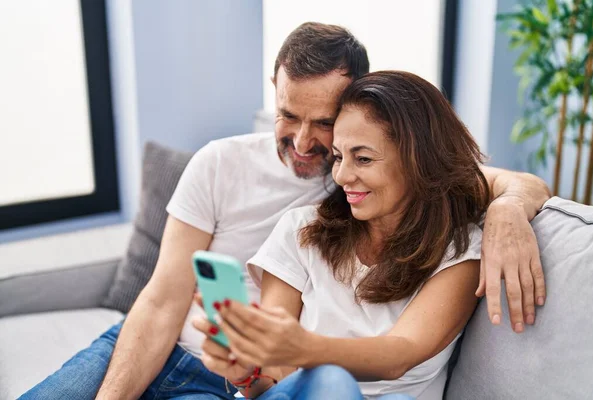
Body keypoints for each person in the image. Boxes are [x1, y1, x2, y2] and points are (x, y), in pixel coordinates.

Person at [21, 23, 549, 399]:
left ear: (349, 108)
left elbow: (504, 181)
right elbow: (162, 300)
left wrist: (507, 211)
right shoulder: (233, 172)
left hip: (241, 379)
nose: (303, 142)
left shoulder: (384, 188)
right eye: (287, 114)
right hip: (166, 347)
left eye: (323, 123)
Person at [193, 69, 493, 399]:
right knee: (330, 383)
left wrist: (304, 348)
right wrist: (247, 375)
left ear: (418, 160)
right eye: (338, 157)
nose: (342, 175)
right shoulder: (302, 231)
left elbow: (401, 353)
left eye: (362, 159)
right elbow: (275, 381)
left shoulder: (459, 251)